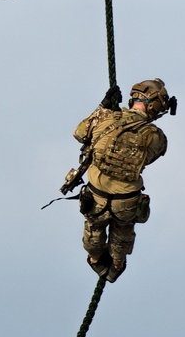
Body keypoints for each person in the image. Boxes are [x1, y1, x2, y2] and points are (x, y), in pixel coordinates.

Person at [62, 80, 174, 282]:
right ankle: (116, 264)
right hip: (127, 202)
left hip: (97, 196)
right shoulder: (155, 136)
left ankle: (96, 260)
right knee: (123, 233)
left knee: (93, 229)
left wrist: (102, 108)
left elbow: (79, 133)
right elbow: (151, 157)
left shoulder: (106, 118)